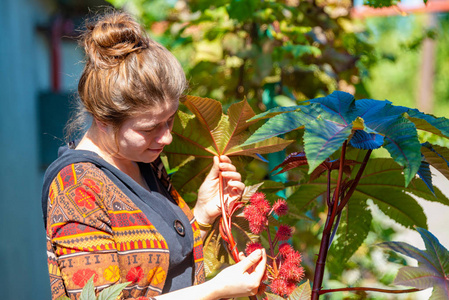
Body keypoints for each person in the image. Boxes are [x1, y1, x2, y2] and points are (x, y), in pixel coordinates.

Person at [41, 10, 266, 300]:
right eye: (149, 128)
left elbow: (164, 266)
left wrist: (201, 214)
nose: (167, 137)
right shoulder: (77, 187)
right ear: (103, 120)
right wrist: (215, 290)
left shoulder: (142, 160)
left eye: (170, 120)